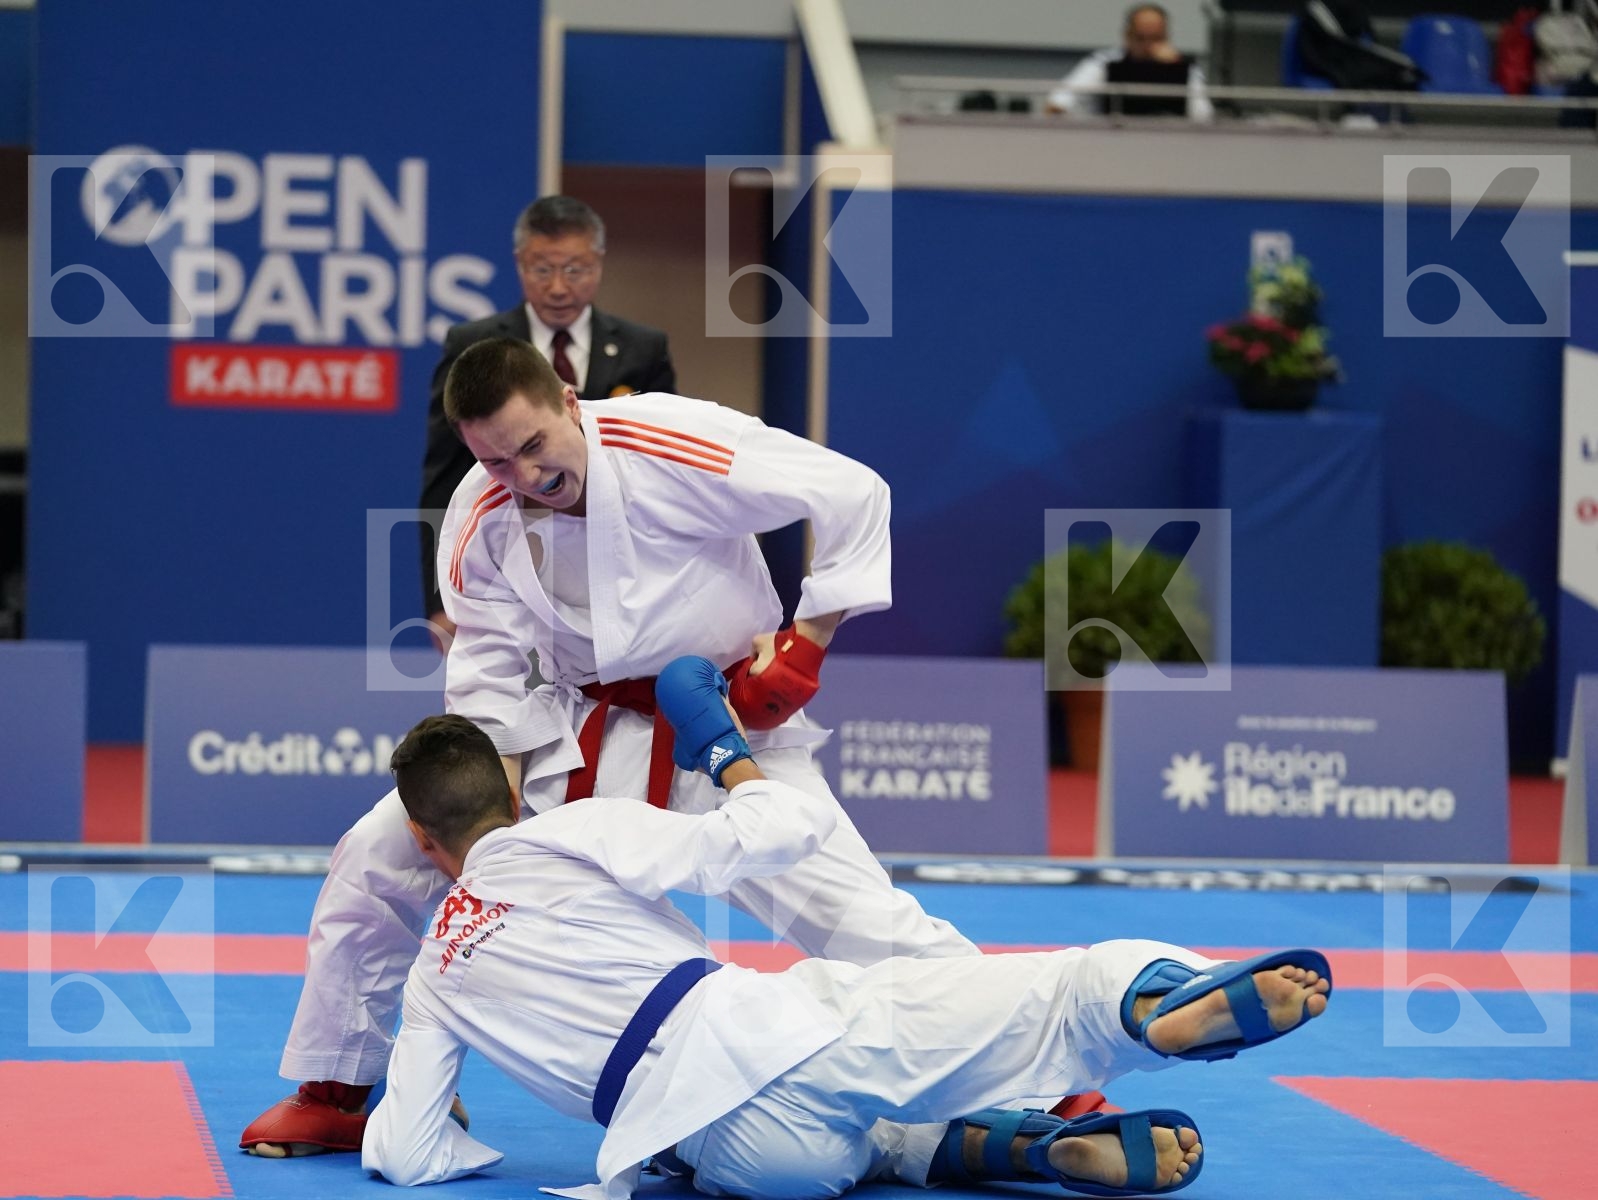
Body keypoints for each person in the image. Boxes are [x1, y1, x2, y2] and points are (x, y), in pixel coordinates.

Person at [242, 336, 1046, 1158]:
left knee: (856, 915)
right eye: (495, 461)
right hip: (575, 733)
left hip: (721, 722)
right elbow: (486, 674)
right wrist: (494, 825)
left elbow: (851, 491)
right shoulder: (478, 516)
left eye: (532, 447)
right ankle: (342, 1086)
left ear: (565, 397)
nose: (524, 476)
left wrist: (806, 641)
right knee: (379, 850)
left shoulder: (666, 441)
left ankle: (1037, 1078)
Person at [360, 667, 1333, 1198]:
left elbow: (403, 1153)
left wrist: (457, 1144)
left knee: (872, 1147)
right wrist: (721, 751)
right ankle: (1154, 1003)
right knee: (1051, 994)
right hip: (771, 1035)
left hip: (711, 1155)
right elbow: (779, 831)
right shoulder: (562, 834)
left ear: (420, 837)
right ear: (509, 794)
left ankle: (1014, 1151)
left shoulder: (432, 976)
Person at [419, 195, 676, 649]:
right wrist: (442, 601)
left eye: (574, 269)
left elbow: (663, 469)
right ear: (520, 264)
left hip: (622, 563)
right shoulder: (471, 345)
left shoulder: (644, 349)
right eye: (542, 269)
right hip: (509, 556)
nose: (558, 287)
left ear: (598, 262)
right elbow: (444, 481)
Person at [1046, 4, 1214, 121]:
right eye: (1141, 38)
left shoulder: (1185, 68)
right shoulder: (1103, 62)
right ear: (1126, 36)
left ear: (1167, 37)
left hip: (1168, 147)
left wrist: (1174, 68)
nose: (1148, 46)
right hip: (1109, 145)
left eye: (1156, 39)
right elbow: (1057, 104)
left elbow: (1204, 116)